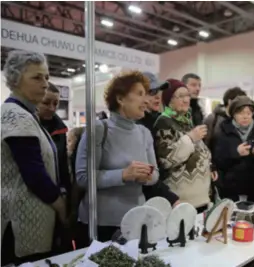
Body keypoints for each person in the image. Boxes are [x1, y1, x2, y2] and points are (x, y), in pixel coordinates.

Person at [75, 71, 159, 247]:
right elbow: (83, 178)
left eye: (147, 95)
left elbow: (156, 174)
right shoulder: (99, 129)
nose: (146, 101)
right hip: (100, 225)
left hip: (135, 221)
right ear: (120, 99)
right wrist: (123, 175)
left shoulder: (144, 133)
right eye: (140, 94)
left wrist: (147, 176)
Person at [1, 50, 67, 265]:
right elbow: (34, 173)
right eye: (37, 77)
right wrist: (60, 204)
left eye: (47, 77)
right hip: (22, 223)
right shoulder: (16, 116)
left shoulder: (26, 114)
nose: (45, 84)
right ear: (16, 79)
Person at [153, 79, 216, 213]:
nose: (186, 100)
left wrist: (210, 166)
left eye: (187, 95)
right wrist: (190, 138)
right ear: (169, 100)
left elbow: (199, 152)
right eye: (180, 96)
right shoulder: (164, 122)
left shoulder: (187, 122)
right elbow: (166, 160)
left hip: (201, 201)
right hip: (181, 203)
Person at [213, 96, 254, 202]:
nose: (245, 117)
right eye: (240, 113)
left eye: (248, 113)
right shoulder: (223, 133)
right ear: (233, 115)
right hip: (232, 190)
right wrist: (236, 153)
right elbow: (218, 161)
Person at [37, 82, 72, 254]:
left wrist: (67, 195)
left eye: (56, 104)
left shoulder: (60, 130)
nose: (51, 108)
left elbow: (63, 166)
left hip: (57, 198)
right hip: (33, 196)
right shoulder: (26, 127)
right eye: (46, 102)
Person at [137, 72, 180, 207]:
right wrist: (171, 198)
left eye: (160, 91)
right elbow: (147, 173)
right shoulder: (138, 128)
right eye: (152, 92)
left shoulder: (158, 122)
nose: (157, 96)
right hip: (145, 201)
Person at [204, 87, 247, 153]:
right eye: (240, 102)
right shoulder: (213, 119)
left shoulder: (244, 119)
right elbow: (205, 144)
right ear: (230, 102)